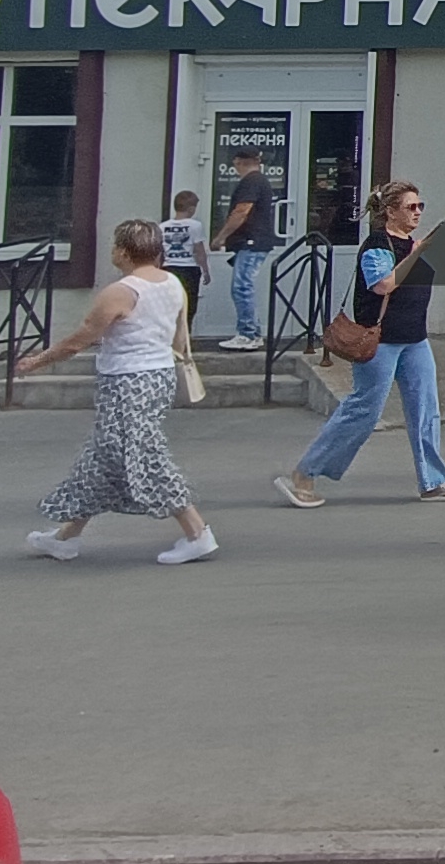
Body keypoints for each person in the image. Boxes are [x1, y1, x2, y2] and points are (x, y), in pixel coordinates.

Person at [19, 218, 218, 565]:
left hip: (129, 381)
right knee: (103, 456)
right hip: (157, 376)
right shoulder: (172, 282)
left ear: (124, 252)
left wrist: (36, 361)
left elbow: (82, 338)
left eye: (114, 245)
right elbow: (178, 335)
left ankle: (198, 533)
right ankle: (66, 538)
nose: (111, 251)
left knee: (141, 453)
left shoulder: (121, 291)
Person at [276, 181, 445, 507]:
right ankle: (304, 473)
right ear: (390, 212)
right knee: (363, 410)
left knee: (426, 410)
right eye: (410, 207)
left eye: (420, 206)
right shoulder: (377, 245)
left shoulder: (411, 244)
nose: (418, 212)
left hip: (415, 339)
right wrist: (417, 253)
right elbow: (383, 285)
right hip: (381, 341)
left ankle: (433, 482)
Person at [214, 153, 279, 350]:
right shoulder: (259, 180)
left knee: (242, 286)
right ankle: (253, 333)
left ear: (238, 162)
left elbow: (241, 211)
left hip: (251, 241)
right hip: (254, 242)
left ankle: (247, 334)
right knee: (243, 286)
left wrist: (221, 237)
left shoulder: (251, 181)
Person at [158, 189, 206, 324]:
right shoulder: (195, 226)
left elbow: (159, 251)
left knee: (170, 304)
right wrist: (205, 270)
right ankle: (185, 331)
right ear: (191, 209)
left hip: (169, 267)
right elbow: (199, 250)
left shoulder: (162, 226)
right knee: (189, 304)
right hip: (189, 268)